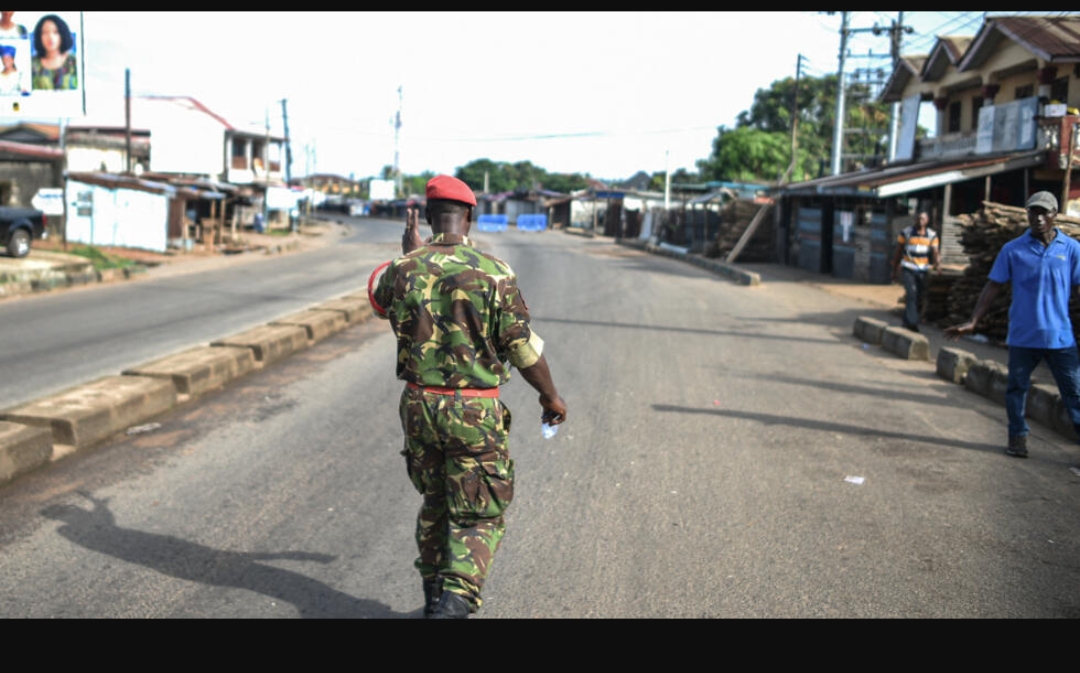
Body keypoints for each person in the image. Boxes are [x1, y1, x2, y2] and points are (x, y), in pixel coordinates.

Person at [371, 174, 567, 619]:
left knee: (436, 500)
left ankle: (433, 596)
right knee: (479, 511)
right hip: (473, 410)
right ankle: (453, 602)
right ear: (471, 215)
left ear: (428, 215)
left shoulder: (402, 269)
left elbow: (381, 304)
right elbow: (520, 348)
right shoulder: (495, 272)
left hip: (420, 405)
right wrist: (551, 396)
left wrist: (411, 256)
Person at [944, 191, 1080, 460]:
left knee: (1074, 393)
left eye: (1044, 212)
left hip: (1060, 337)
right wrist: (973, 321)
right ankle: (1017, 437)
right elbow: (993, 286)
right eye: (1033, 212)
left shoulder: (1071, 249)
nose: (1038, 218)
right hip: (1023, 336)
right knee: (1016, 389)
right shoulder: (1013, 249)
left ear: (1055, 215)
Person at [891, 210, 941, 332]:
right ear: (915, 220)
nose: (920, 221)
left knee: (919, 295)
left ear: (927, 221)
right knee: (911, 293)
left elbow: (935, 252)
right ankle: (912, 323)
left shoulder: (931, 235)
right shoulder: (906, 233)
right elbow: (898, 252)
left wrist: (937, 264)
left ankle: (907, 321)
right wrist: (895, 269)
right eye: (918, 219)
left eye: (923, 219)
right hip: (908, 267)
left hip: (923, 269)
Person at [30, 13, 76, 91]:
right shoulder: (32, 63)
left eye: (55, 32)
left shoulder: (74, 62)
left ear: (62, 34)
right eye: (45, 32)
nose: (50, 37)